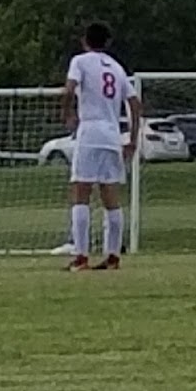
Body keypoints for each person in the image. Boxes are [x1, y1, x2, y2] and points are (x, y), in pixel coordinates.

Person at [60, 22, 141, 272]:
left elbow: (69, 89)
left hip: (90, 131)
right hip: (112, 134)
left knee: (80, 192)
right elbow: (136, 104)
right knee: (111, 197)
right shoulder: (116, 67)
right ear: (107, 43)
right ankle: (113, 256)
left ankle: (81, 256)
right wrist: (133, 139)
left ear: (85, 40)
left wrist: (66, 113)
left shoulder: (80, 61)